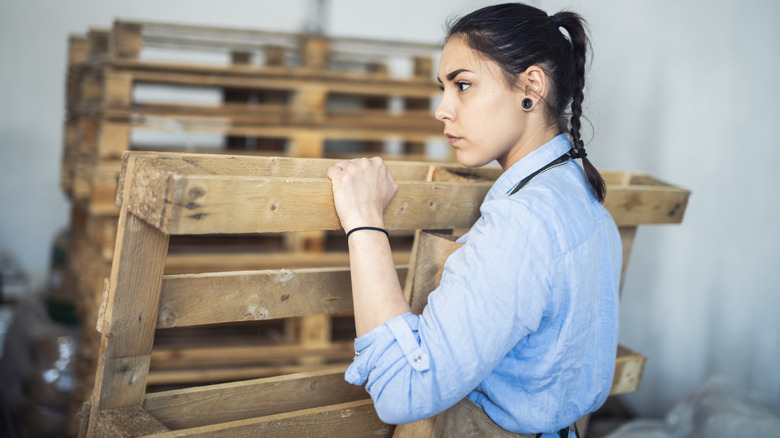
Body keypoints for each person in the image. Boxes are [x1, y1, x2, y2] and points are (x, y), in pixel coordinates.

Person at [326, 3, 622, 437]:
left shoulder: (523, 221)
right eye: (443, 88)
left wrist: (365, 222)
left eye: (462, 85)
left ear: (531, 86)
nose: (442, 109)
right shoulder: (580, 197)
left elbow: (403, 392)